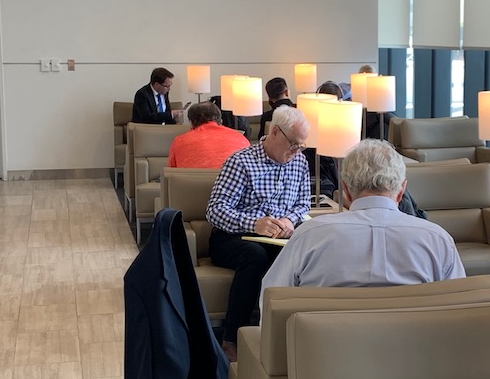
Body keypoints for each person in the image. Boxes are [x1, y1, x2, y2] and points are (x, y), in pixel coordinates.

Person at [262, 140, 463, 292]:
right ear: (401, 191)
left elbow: (272, 297)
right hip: (415, 346)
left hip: (326, 346)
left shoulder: (309, 235)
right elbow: (456, 307)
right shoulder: (437, 239)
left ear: (345, 191)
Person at [206, 104, 312, 360]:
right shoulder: (241, 161)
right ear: (275, 132)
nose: (296, 151)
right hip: (233, 236)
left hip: (277, 237)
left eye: (301, 146)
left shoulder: (299, 162)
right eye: (293, 144)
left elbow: (303, 203)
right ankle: (232, 338)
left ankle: (284, 335)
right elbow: (215, 210)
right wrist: (254, 223)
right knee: (254, 256)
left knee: (304, 256)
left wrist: (289, 219)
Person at [167, 101, 250, 169]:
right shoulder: (241, 138)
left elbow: (172, 172)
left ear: (191, 123)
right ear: (220, 120)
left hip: (192, 187)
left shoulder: (179, 141)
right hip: (233, 187)